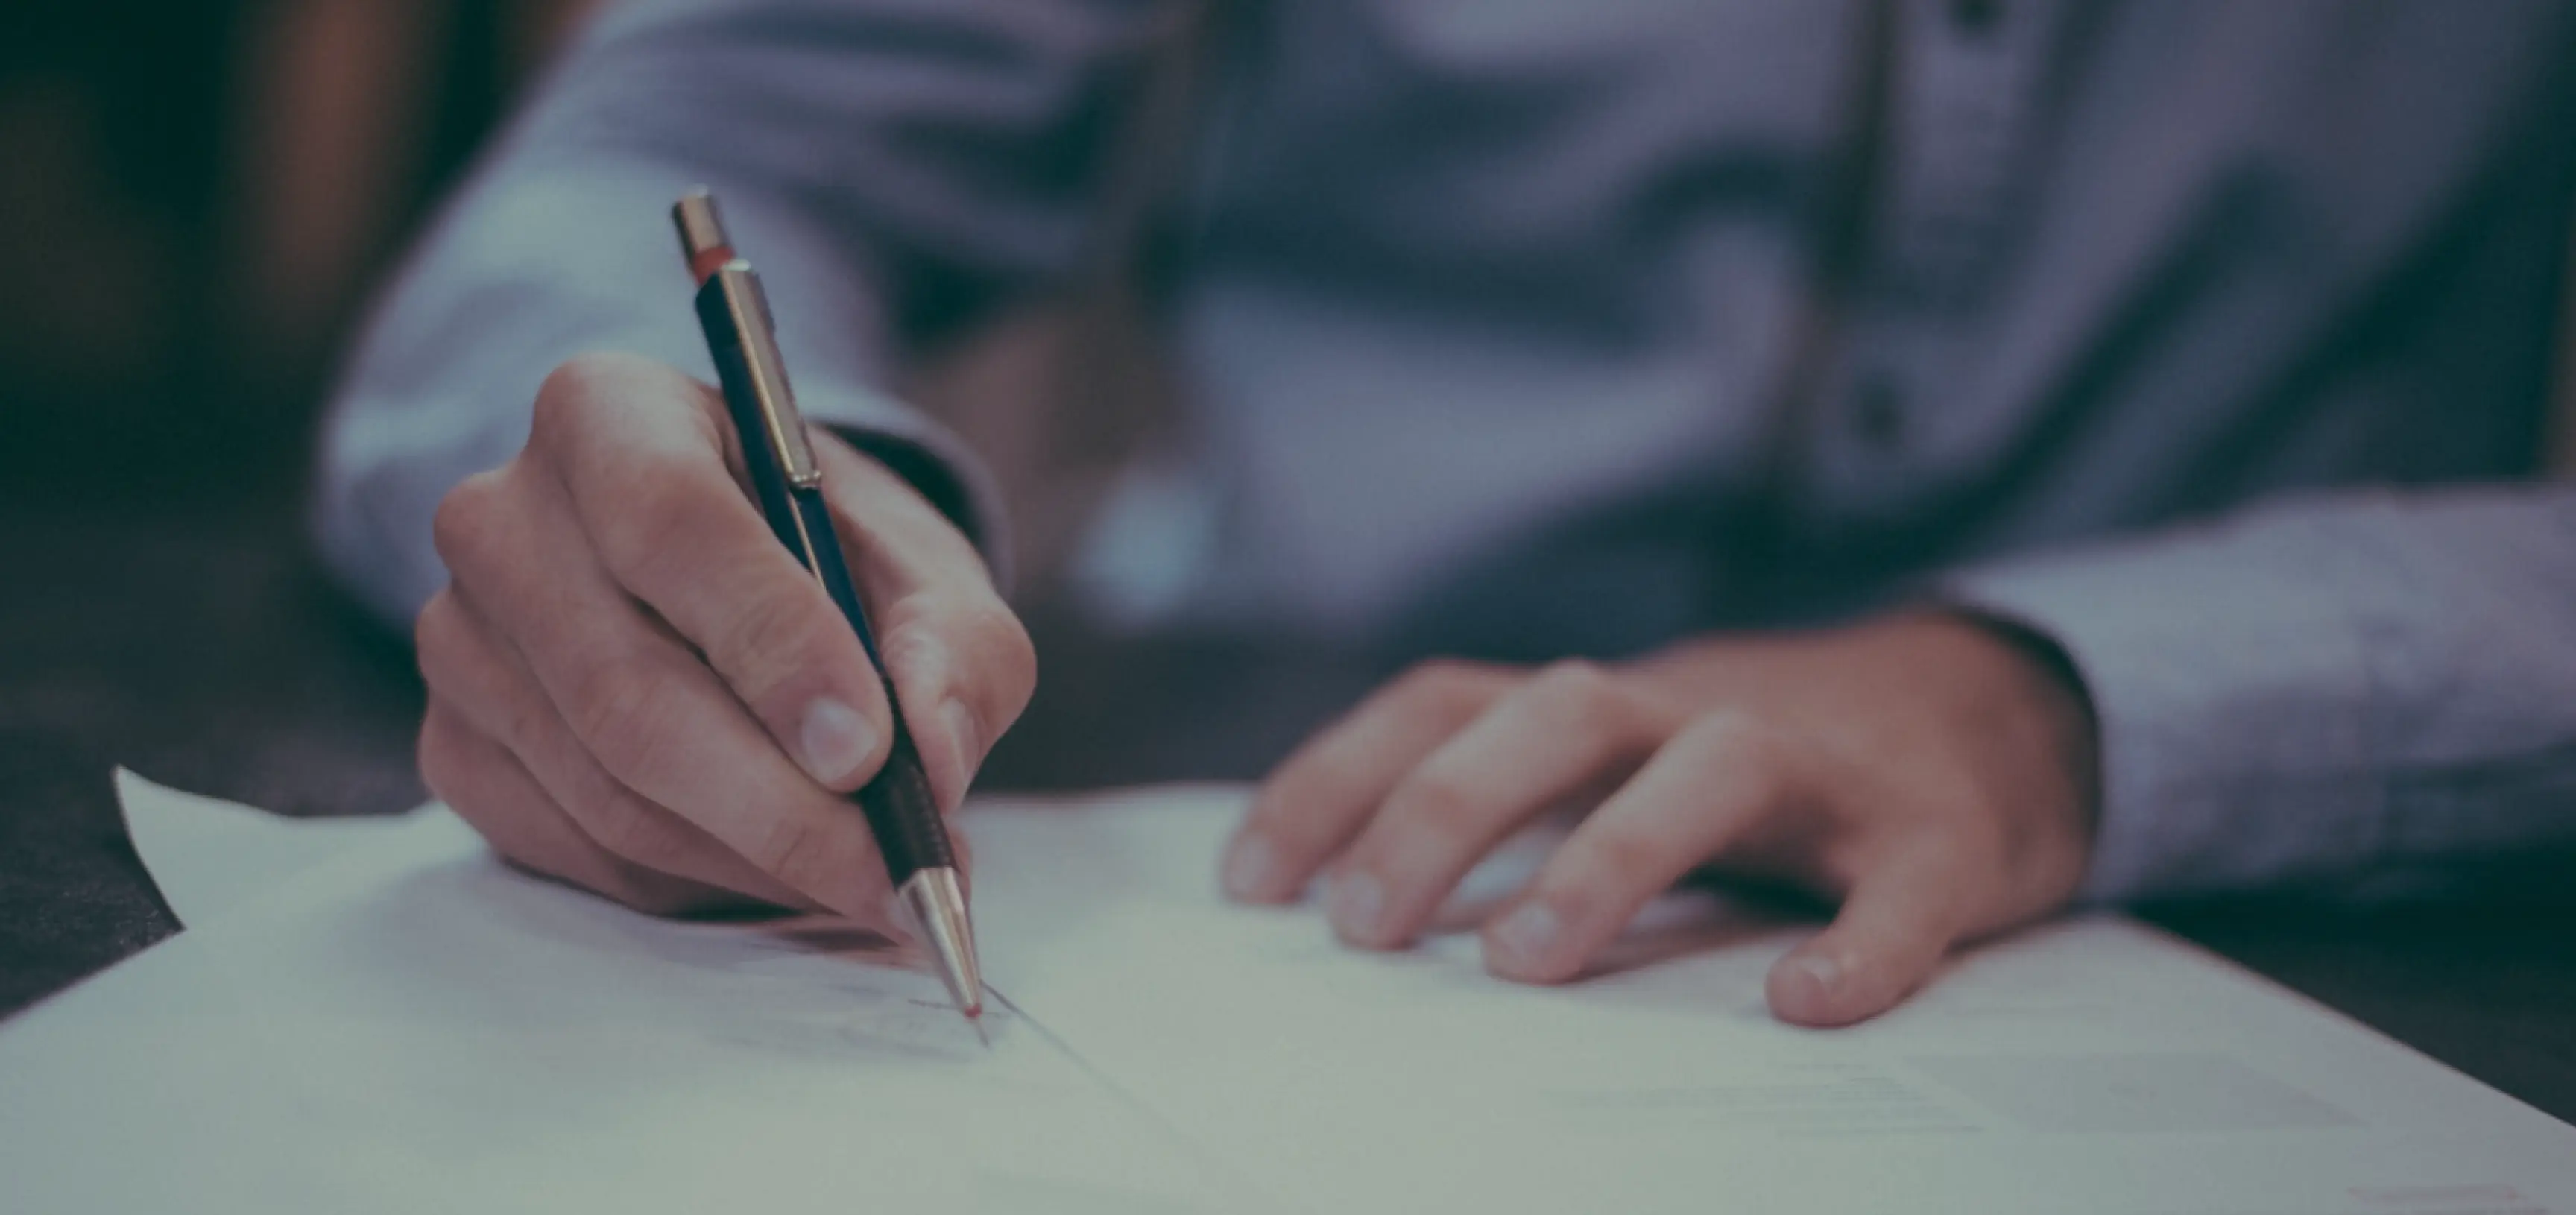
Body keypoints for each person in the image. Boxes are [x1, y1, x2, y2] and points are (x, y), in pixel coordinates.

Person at [315, 0, 2576, 1029]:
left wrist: (2067, 699)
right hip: (1272, 830)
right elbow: (690, 138)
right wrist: (730, 538)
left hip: (2286, 913)